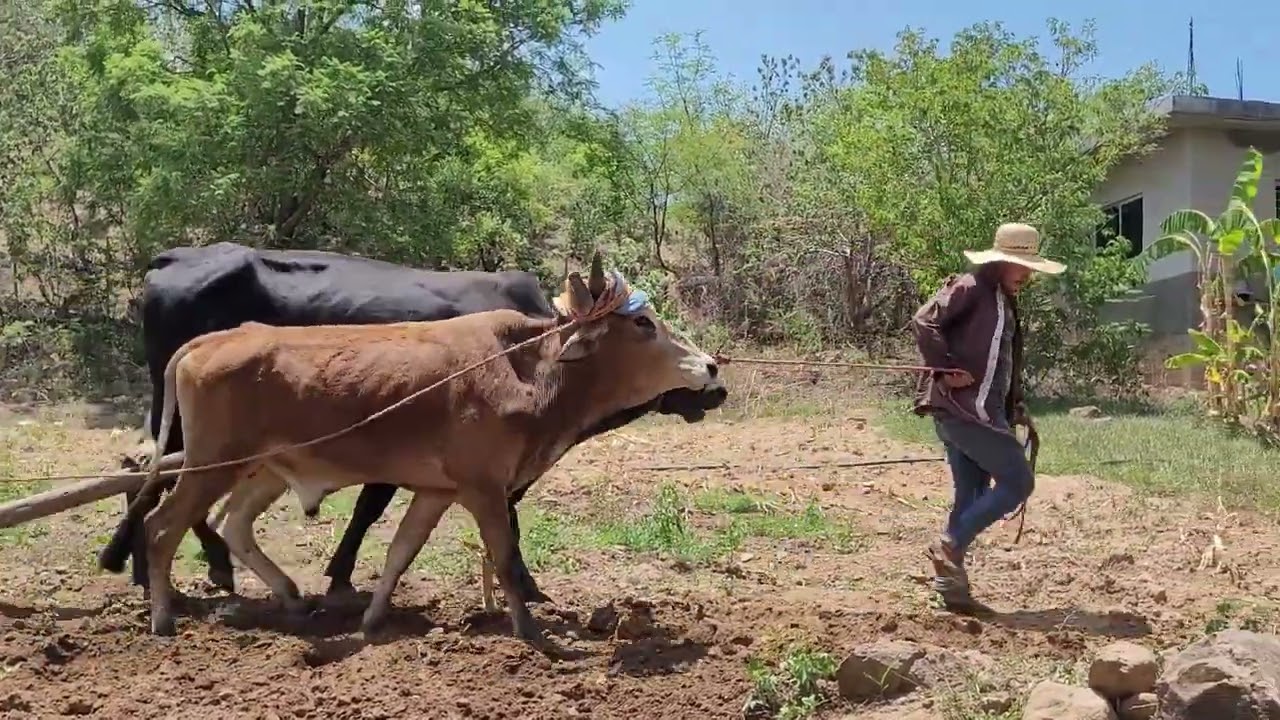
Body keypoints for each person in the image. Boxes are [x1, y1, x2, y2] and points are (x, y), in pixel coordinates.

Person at [910, 222, 1065, 611]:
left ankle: (954, 596)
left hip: (982, 409)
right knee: (1017, 481)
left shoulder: (1000, 298)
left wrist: (1015, 405)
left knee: (972, 494)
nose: (1027, 275)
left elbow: (998, 362)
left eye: (1030, 267)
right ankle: (951, 543)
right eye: (1021, 266)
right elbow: (923, 320)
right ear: (1000, 262)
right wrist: (944, 367)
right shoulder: (971, 287)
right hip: (963, 410)